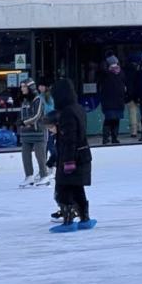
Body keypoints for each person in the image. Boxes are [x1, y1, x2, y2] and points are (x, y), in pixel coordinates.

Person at [49, 79, 95, 232]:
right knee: (77, 188)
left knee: (64, 188)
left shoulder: (67, 113)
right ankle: (84, 218)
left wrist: (68, 162)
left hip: (71, 157)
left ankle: (68, 221)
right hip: (82, 155)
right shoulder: (79, 108)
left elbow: (69, 139)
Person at [18, 78, 51, 188]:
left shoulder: (38, 99)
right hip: (26, 133)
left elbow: (37, 115)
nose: (22, 89)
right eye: (21, 86)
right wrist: (21, 122)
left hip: (38, 132)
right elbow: (23, 114)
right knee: (25, 155)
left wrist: (24, 122)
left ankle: (44, 176)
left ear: (30, 88)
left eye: (24, 86)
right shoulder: (24, 100)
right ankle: (29, 176)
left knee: (40, 156)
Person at [97, 57, 127, 145]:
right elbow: (101, 74)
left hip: (118, 101)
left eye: (115, 63)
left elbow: (124, 84)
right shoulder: (105, 73)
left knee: (116, 120)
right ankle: (105, 138)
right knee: (109, 120)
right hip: (109, 101)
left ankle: (114, 138)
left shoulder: (121, 73)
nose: (114, 65)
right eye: (112, 64)